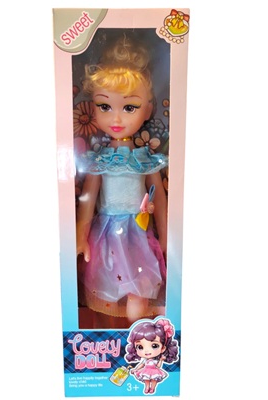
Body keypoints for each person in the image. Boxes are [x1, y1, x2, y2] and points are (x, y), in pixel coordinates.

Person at [76, 35, 168, 327]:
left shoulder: (144, 159)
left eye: (129, 107)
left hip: (137, 233)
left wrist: (167, 234)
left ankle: (138, 335)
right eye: (105, 106)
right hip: (106, 235)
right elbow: (88, 198)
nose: (116, 118)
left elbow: (159, 199)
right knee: (107, 289)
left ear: (147, 110)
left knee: (139, 289)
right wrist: (80, 233)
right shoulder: (100, 161)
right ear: (93, 107)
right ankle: (111, 338)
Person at [125, 318, 179, 394]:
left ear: (163, 348)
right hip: (146, 371)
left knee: (154, 379)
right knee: (146, 379)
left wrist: (161, 360)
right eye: (140, 347)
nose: (147, 351)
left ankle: (152, 388)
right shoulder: (145, 360)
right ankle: (147, 387)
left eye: (154, 346)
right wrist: (136, 369)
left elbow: (158, 366)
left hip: (154, 371)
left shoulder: (156, 360)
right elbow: (141, 364)